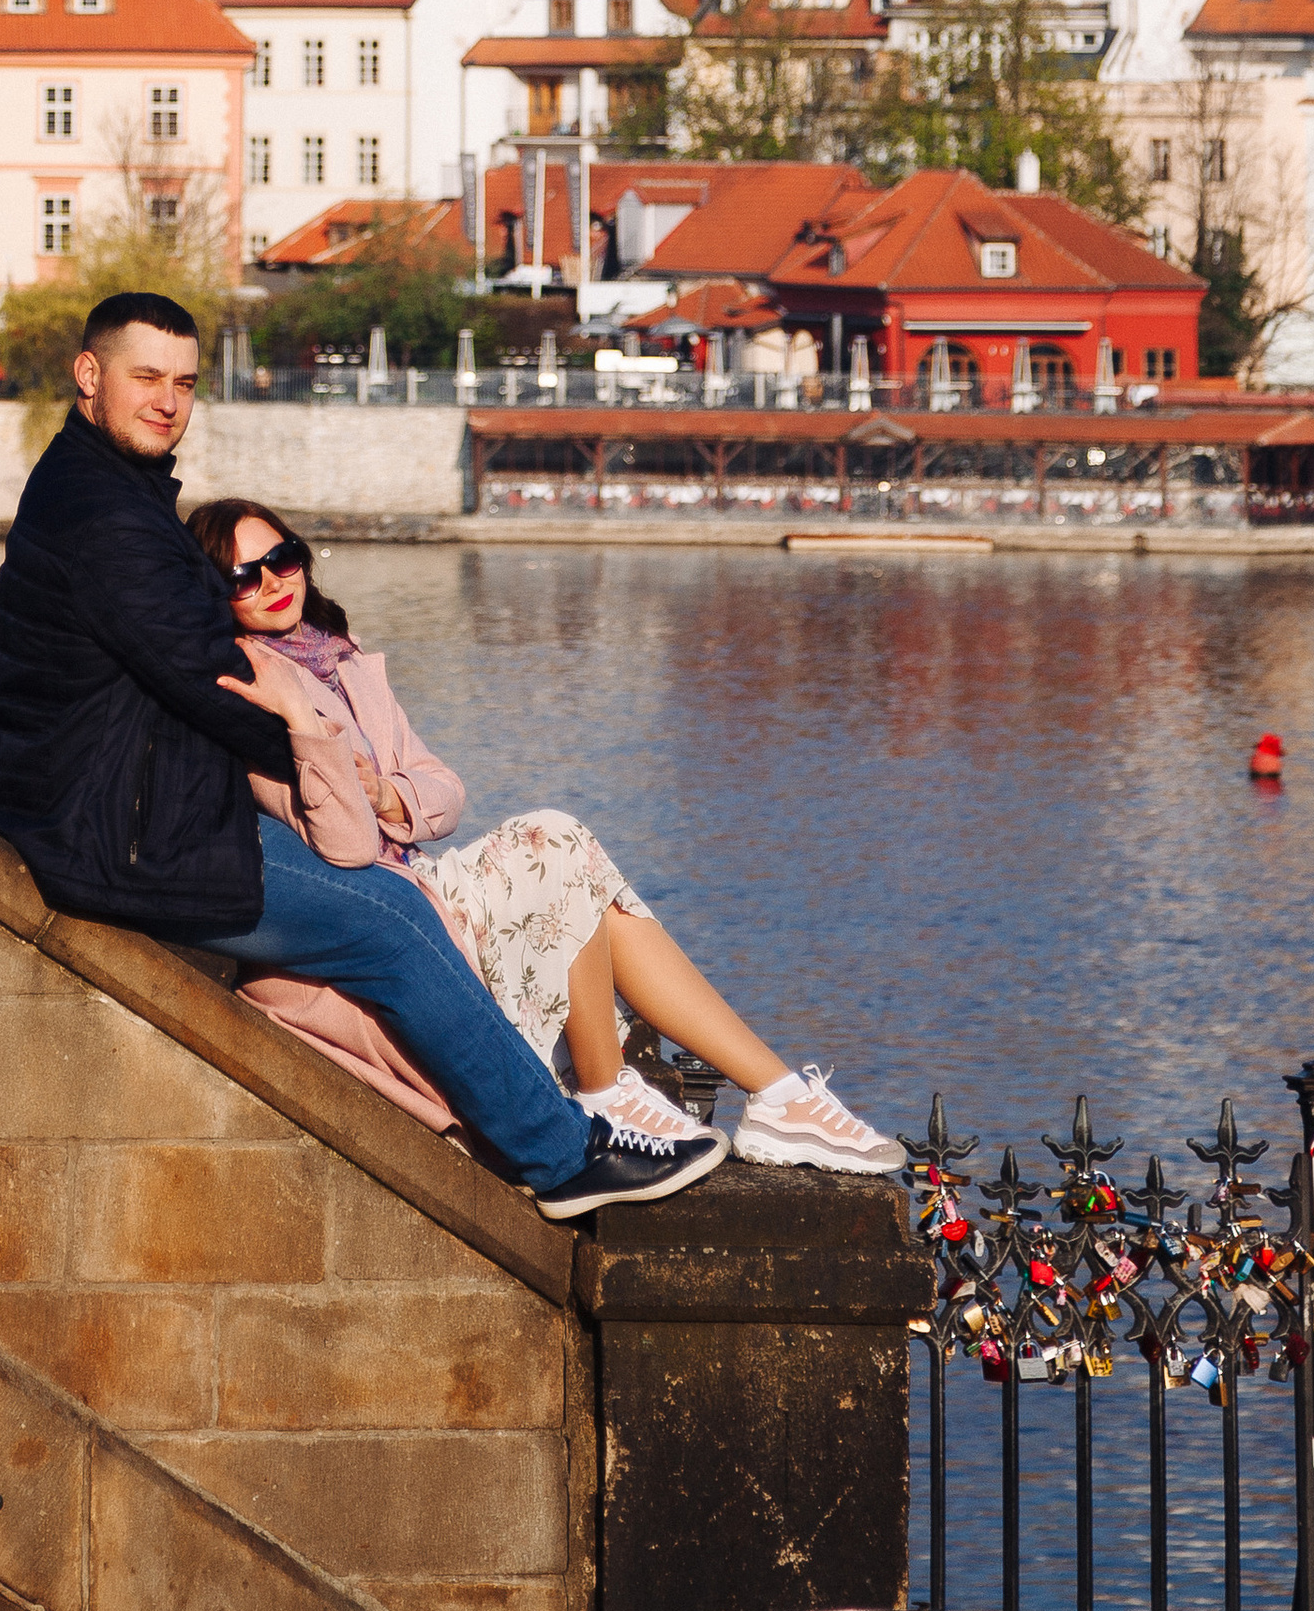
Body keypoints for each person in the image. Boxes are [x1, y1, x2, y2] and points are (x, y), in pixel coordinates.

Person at [0, 291, 725, 1220]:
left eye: (184, 384)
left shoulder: (102, 487)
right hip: (120, 837)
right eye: (146, 378)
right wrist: (306, 726)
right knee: (389, 924)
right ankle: (564, 1159)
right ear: (90, 375)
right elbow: (216, 684)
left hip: (125, 809)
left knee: (390, 901)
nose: (167, 401)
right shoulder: (107, 515)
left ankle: (552, 1123)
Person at [186, 493, 906, 1176]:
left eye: (282, 558)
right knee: (557, 842)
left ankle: (775, 1096)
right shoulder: (254, 688)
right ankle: (616, 1093)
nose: (273, 582)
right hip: (392, 910)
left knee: (590, 884)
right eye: (244, 577)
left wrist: (389, 796)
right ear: (217, 597)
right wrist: (302, 723)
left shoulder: (342, 658)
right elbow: (344, 848)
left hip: (418, 878)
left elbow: (444, 791)